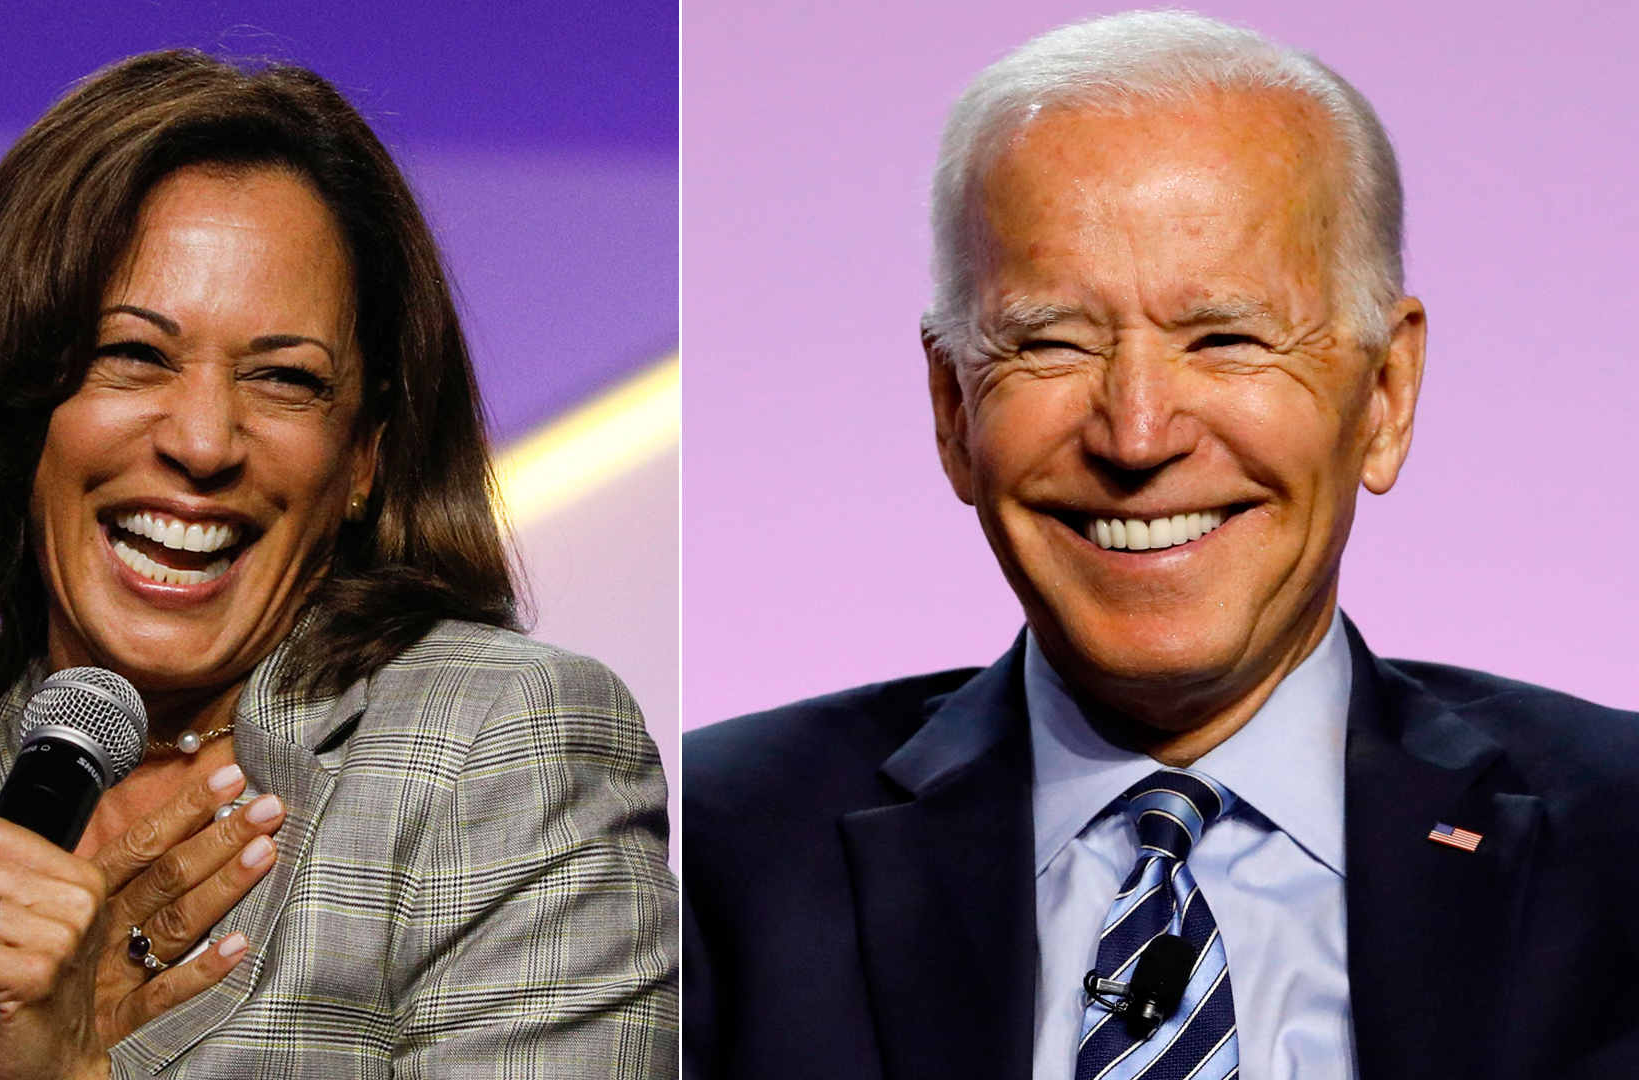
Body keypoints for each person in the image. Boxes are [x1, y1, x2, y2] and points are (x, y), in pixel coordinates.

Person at [683, 12, 1639, 1080]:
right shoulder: (712, 857)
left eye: (1225, 339)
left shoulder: (1621, 838)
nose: (1136, 435)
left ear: (1385, 394)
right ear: (953, 408)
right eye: (1047, 343)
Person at [0, 50, 676, 1080]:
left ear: (363, 456)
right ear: (11, 404)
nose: (206, 441)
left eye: (285, 379)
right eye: (132, 355)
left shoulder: (503, 751)